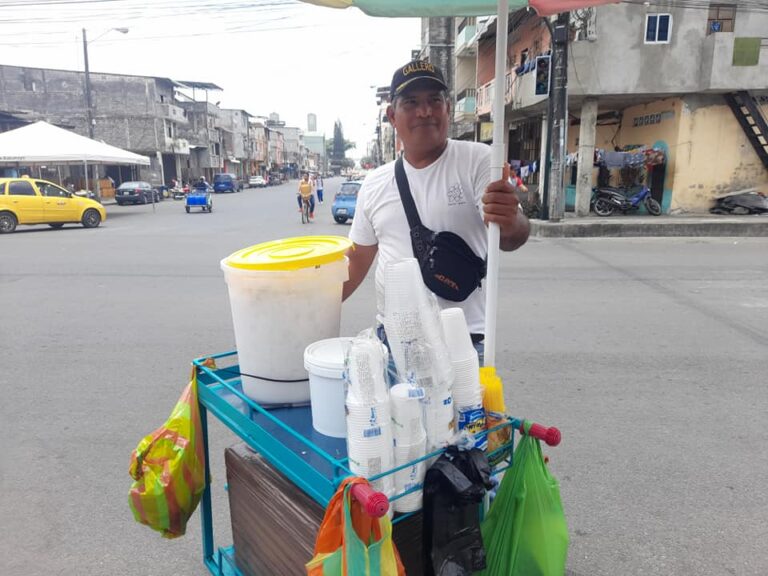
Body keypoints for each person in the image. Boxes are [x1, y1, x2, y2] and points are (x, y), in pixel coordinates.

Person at [343, 59, 529, 351]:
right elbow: (355, 263)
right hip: (394, 343)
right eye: (411, 102)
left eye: (434, 100)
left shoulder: (479, 160)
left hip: (463, 342)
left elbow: (511, 236)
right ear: (392, 115)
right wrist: (309, 306)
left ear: (447, 109)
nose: (425, 111)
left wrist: (509, 218)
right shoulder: (374, 183)